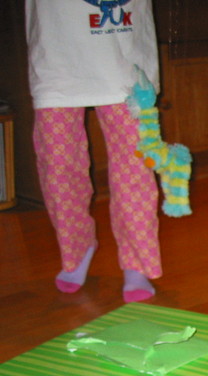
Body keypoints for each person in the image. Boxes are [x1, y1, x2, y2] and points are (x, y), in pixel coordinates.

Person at [25, 0, 162, 302]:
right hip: (57, 58)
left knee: (135, 166)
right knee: (58, 166)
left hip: (124, 58)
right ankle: (75, 250)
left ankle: (137, 263)